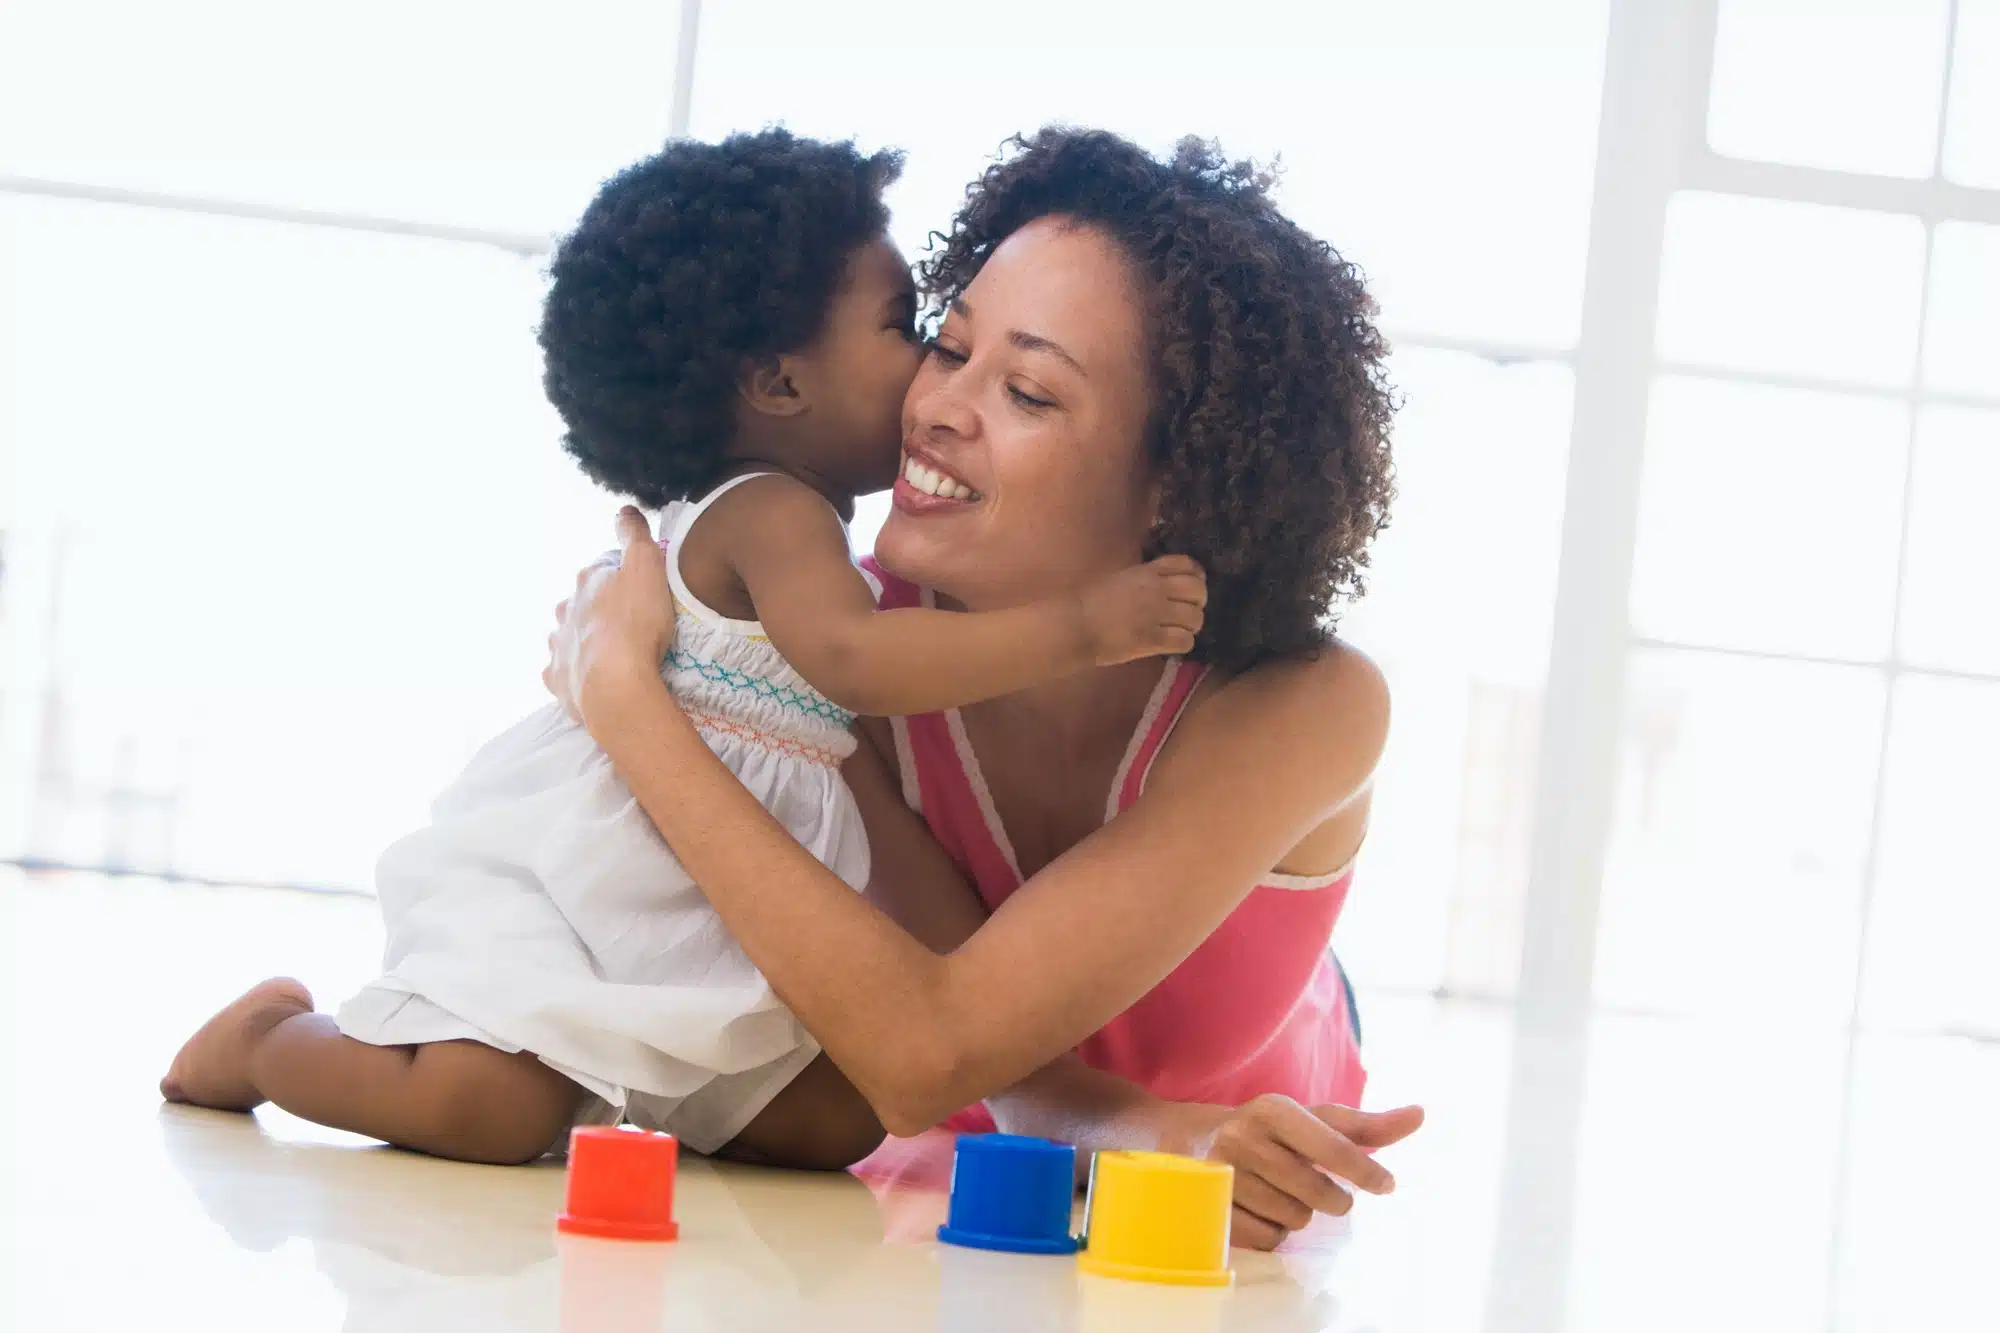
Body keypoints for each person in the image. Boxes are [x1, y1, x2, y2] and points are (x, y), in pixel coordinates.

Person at [159, 130, 1206, 1170]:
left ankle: (622, 1091)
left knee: (833, 1120)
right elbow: (856, 662)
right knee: (485, 1109)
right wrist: (1083, 629)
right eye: (907, 329)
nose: (928, 376)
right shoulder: (770, 515)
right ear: (779, 385)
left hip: (697, 902)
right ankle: (266, 1043)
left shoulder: (803, 524)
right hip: (581, 883)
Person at [544, 127, 1423, 1251]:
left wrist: (629, 706)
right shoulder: (846, 654)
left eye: (1028, 392)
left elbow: (932, 1048)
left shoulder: (1304, 703)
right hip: (986, 1151)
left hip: (1239, 1121)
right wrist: (1147, 1132)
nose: (939, 406)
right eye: (946, 346)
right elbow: (940, 1058)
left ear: (1178, 476)